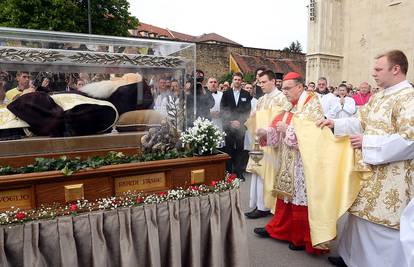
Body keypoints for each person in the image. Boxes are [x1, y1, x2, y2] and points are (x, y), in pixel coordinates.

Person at [317, 50, 414, 267]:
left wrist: (367, 142)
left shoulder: (409, 98)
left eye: (379, 69)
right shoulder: (379, 96)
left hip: (393, 176)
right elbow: (360, 121)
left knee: (381, 224)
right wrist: (335, 123)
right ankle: (352, 258)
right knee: (358, 216)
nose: (374, 74)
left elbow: (410, 140)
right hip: (369, 170)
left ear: (396, 69)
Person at [253, 72, 327, 255]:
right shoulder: (289, 105)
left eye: (287, 88)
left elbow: (314, 134)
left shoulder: (312, 104)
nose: (284, 92)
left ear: (300, 87)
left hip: (303, 160)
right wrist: (267, 132)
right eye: (283, 87)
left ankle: (301, 237)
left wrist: (288, 130)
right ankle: (280, 229)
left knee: (300, 196)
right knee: (287, 195)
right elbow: (279, 126)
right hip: (287, 157)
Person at [245, 70, 290, 219]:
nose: (261, 85)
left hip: (273, 144)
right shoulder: (261, 100)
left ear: (273, 81)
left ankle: (266, 205)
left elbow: (283, 119)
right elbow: (256, 118)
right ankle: (259, 204)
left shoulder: (282, 98)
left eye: (264, 82)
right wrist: (252, 119)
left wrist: (268, 132)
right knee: (258, 172)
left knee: (268, 173)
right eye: (259, 82)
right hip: (260, 141)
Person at [220, 72, 251, 181]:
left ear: (242, 81)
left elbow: (248, 111)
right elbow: (223, 110)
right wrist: (231, 121)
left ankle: (239, 173)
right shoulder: (226, 94)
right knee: (228, 150)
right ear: (232, 81)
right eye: (235, 79)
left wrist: (240, 122)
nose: (237, 81)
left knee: (240, 150)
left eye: (239, 79)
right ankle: (229, 173)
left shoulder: (246, 95)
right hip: (228, 126)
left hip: (241, 127)